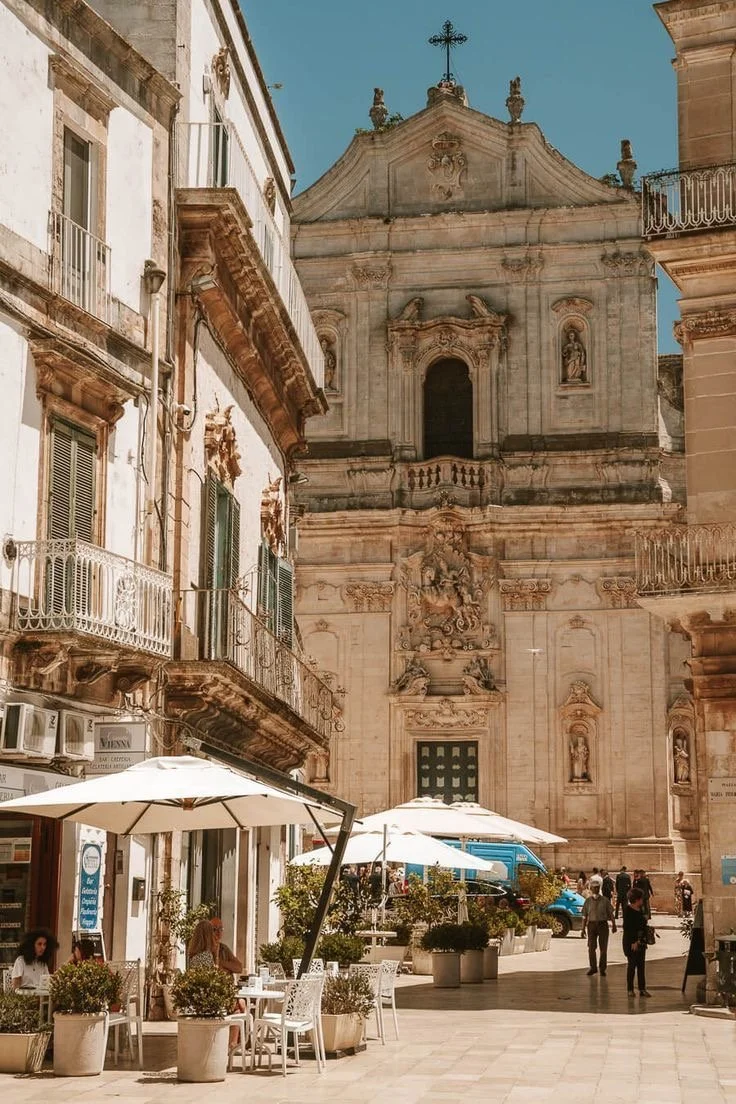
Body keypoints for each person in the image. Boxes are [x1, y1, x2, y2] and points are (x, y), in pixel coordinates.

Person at [580, 880, 616, 976]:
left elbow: (611, 913)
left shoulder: (605, 900)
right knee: (591, 948)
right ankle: (593, 967)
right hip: (591, 925)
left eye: (597, 887)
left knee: (603, 948)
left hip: (602, 925)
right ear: (591, 889)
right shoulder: (588, 901)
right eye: (594, 888)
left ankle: (602, 968)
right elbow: (584, 915)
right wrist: (583, 929)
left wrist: (614, 924)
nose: (595, 889)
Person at [623, 887, 650, 997]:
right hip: (631, 942)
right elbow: (628, 928)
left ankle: (642, 989)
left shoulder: (641, 910)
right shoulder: (628, 911)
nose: (642, 901)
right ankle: (630, 989)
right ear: (637, 899)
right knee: (632, 965)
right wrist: (633, 942)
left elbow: (642, 925)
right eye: (641, 899)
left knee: (641, 966)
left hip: (641, 941)